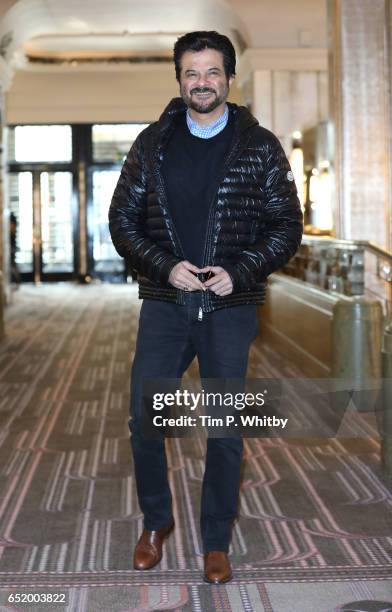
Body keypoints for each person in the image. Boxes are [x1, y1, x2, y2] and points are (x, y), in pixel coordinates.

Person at [109, 30, 303, 584]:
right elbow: (121, 221)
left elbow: (287, 226)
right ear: (179, 79)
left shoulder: (260, 145)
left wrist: (238, 272)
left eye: (212, 72)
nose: (202, 82)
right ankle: (156, 523)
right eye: (191, 73)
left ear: (229, 78)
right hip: (166, 303)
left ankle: (216, 540)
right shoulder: (151, 144)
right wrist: (163, 266)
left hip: (229, 305)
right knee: (145, 420)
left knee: (224, 428)